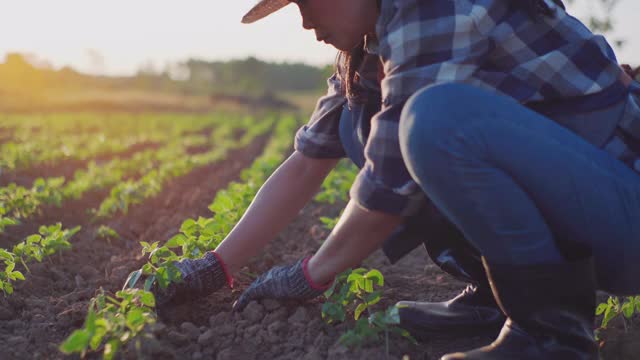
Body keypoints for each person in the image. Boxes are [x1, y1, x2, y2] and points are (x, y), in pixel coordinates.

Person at [148, 0, 640, 359]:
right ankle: (497, 297)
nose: (305, 22)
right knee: (355, 124)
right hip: (594, 212)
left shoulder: (434, 5)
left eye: (307, 1)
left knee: (435, 121)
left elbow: (391, 183)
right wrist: (217, 266)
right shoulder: (374, 51)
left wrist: (310, 274)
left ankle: (552, 336)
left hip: (627, 216)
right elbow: (305, 163)